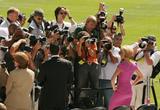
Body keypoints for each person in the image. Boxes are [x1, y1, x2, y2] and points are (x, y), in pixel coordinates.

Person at [38, 44, 73, 110]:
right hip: (62, 96)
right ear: (59, 51)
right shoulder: (68, 64)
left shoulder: (45, 64)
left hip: (48, 97)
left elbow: (39, 80)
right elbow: (70, 80)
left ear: (49, 52)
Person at [130, 35, 160, 110]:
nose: (147, 44)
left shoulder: (157, 53)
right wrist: (138, 45)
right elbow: (132, 56)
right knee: (131, 104)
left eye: (149, 42)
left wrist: (147, 50)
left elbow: (150, 62)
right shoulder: (142, 51)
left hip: (144, 82)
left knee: (140, 106)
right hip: (134, 80)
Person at [109, 46, 143, 110]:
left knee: (112, 108)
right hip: (129, 91)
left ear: (124, 54)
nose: (119, 54)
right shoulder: (133, 65)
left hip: (120, 91)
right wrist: (133, 83)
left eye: (120, 52)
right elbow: (141, 76)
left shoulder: (121, 66)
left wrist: (114, 88)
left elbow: (112, 79)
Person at [98, 36, 121, 108]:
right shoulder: (101, 50)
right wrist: (100, 48)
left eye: (108, 42)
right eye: (104, 42)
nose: (106, 44)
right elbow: (99, 62)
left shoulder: (116, 50)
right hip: (99, 78)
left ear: (112, 42)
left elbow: (114, 61)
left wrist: (109, 51)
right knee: (99, 103)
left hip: (110, 80)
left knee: (110, 102)